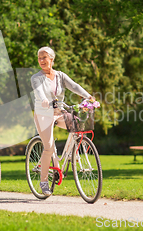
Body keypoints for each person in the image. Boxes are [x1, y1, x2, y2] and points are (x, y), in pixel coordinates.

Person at [31, 46, 94, 196]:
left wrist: (88, 97)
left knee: (76, 126)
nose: (41, 60)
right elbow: (39, 91)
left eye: (44, 57)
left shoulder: (60, 76)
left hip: (59, 112)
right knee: (48, 147)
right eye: (39, 58)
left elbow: (74, 86)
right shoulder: (36, 78)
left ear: (51, 59)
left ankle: (72, 154)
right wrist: (45, 100)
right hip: (43, 114)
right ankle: (44, 182)